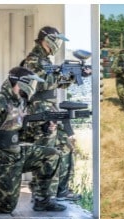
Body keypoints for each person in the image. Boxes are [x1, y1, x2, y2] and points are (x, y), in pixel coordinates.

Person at [0, 66, 66, 213]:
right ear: (22, 82)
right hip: (1, 157)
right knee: (5, 206)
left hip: (16, 152)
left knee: (52, 155)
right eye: (32, 83)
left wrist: (44, 129)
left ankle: (42, 200)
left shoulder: (19, 102)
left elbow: (20, 134)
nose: (34, 87)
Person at [20, 26, 84, 201]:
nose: (58, 44)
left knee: (65, 145)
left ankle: (61, 190)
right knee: (46, 151)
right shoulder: (33, 59)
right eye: (57, 40)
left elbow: (58, 83)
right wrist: (64, 75)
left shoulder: (45, 60)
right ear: (48, 40)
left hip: (49, 108)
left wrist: (73, 76)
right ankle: (42, 195)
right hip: (40, 109)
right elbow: (40, 84)